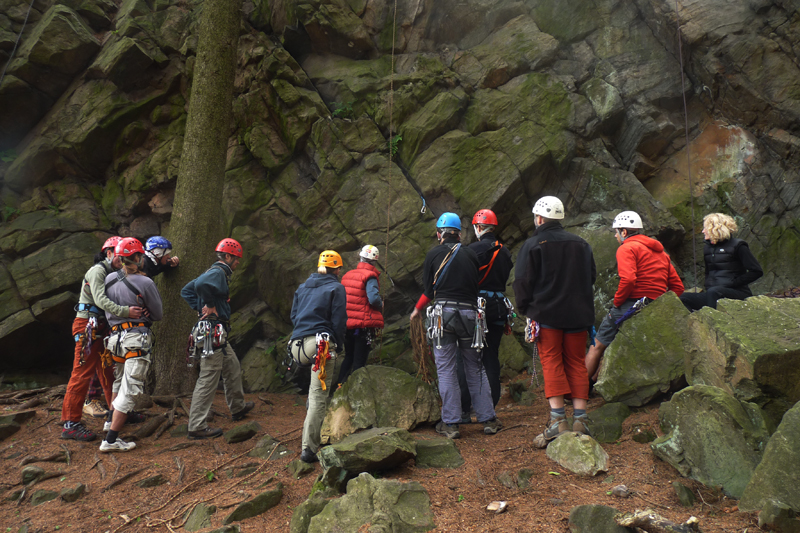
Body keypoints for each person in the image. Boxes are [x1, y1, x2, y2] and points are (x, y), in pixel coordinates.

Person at [410, 213, 500, 439]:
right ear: (459, 234)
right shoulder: (471, 254)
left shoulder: (433, 254)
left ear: (439, 234)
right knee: (475, 367)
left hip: (443, 316)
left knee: (446, 369)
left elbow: (429, 292)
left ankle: (450, 424)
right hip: (470, 315)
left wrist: (417, 310)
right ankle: (488, 419)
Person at [513, 196, 596, 439]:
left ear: (539, 218)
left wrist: (525, 308)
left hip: (546, 314)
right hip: (578, 315)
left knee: (551, 362)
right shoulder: (581, 244)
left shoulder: (534, 244)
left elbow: (522, 281)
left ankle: (558, 420)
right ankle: (581, 419)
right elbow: (590, 276)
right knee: (576, 363)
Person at [61, 237, 144, 442]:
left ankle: (116, 411)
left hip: (103, 328)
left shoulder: (115, 273)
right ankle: (70, 423)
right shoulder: (98, 271)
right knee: (81, 373)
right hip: (88, 328)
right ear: (108, 253)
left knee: (109, 371)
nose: (122, 260)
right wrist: (125, 311)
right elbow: (100, 300)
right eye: (118, 255)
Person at [585, 210, 685, 381]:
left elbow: (629, 279)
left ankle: (579, 389)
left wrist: (618, 302)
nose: (615, 236)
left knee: (597, 344)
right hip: (655, 304)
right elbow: (678, 287)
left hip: (631, 303)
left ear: (624, 232)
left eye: (616, 232)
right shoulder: (661, 253)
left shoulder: (627, 248)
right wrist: (662, 305)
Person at [181, 238, 254, 439]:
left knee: (232, 366)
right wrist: (210, 306)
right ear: (228, 257)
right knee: (208, 377)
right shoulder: (218, 272)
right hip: (211, 332)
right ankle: (196, 426)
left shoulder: (214, 271)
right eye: (237, 259)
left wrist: (202, 308)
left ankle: (237, 408)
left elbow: (187, 290)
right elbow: (201, 285)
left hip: (216, 332)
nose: (238, 263)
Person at [99, 238, 163, 452]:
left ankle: (110, 419)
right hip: (135, 338)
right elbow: (157, 314)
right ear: (137, 257)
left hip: (114, 339)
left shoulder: (108, 279)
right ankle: (110, 439)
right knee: (130, 389)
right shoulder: (145, 283)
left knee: (119, 382)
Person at [289, 250, 347, 463]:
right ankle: (308, 449)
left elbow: (294, 316)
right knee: (317, 396)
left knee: (313, 393)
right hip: (321, 345)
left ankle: (309, 429)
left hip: (296, 345)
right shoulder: (337, 288)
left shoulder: (303, 287)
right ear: (338, 269)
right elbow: (339, 321)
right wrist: (339, 345)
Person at [458, 209, 512, 412]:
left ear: (479, 228)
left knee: (467, 356)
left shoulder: (472, 250)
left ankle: (466, 405)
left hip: (476, 307)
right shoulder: (504, 251)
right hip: (498, 307)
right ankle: (490, 404)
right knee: (491, 356)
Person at [680, 213, 763, 311]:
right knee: (683, 298)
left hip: (737, 293)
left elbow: (757, 271)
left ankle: (712, 323)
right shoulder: (708, 248)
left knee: (714, 292)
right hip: (713, 293)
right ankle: (696, 324)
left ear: (714, 229)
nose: (703, 231)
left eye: (705, 228)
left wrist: (733, 283)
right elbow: (708, 273)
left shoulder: (738, 246)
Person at [335, 245, 384, 387]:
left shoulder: (347, 275)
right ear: (374, 261)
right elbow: (373, 298)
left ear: (360, 257)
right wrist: (380, 304)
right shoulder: (370, 276)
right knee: (359, 362)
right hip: (363, 326)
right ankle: (356, 392)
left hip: (348, 325)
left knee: (348, 357)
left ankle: (340, 387)